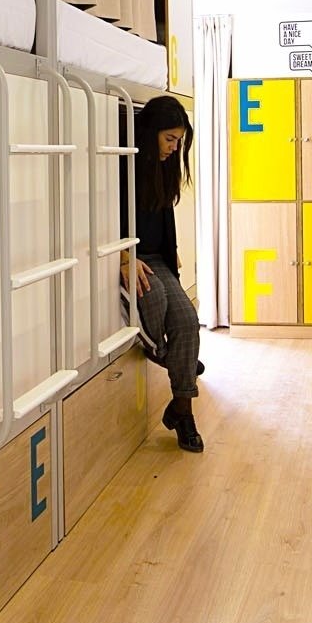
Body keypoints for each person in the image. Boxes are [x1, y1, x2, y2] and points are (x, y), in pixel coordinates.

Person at [120, 95, 205, 453]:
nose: (174, 147)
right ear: (152, 131)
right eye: (170, 138)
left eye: (179, 141)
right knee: (152, 303)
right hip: (131, 256)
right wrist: (123, 256)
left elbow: (165, 217)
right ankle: (181, 366)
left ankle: (182, 410)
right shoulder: (123, 164)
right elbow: (101, 214)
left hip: (156, 256)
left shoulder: (165, 166)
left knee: (187, 321)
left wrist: (173, 257)